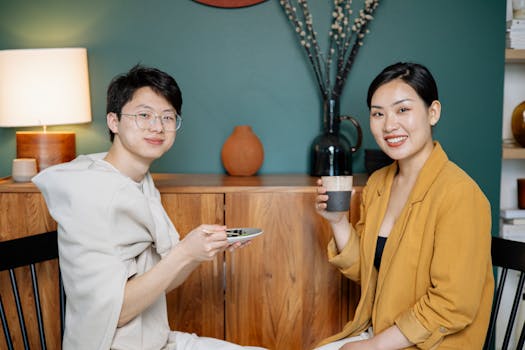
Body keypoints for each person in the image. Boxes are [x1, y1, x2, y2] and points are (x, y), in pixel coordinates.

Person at [33, 65, 265, 350]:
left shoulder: (138, 181)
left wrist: (199, 251)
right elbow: (112, 315)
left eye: (167, 117)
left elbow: (162, 280)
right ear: (113, 122)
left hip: (155, 340)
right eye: (144, 115)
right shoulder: (92, 195)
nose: (157, 126)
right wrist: (184, 253)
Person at [314, 62, 494, 349]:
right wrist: (337, 221)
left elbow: (453, 304)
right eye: (378, 114)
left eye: (402, 110)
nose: (389, 125)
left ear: (432, 112)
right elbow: (369, 273)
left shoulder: (460, 195)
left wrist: (372, 346)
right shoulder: (378, 185)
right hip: (380, 334)